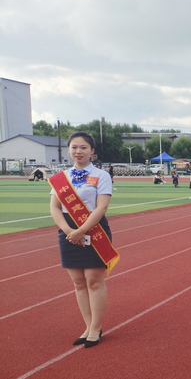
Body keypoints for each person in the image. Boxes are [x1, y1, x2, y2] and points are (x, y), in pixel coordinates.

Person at [49, 131, 117, 349]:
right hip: (68, 230)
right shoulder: (61, 178)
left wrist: (82, 230)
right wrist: (70, 230)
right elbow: (54, 207)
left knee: (94, 280)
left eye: (83, 148)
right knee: (78, 282)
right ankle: (88, 327)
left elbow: (102, 207)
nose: (78, 151)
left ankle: (96, 328)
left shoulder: (101, 175)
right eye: (74, 147)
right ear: (69, 150)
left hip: (94, 229)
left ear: (92, 151)